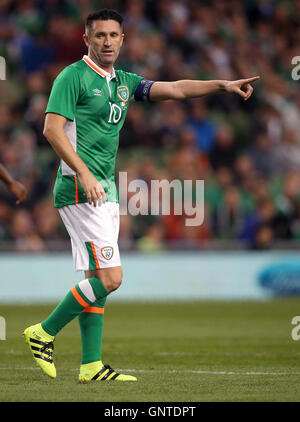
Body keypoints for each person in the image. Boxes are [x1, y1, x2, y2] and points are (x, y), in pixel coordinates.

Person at [23, 9, 260, 383]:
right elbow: (51, 130)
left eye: (113, 35)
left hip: (104, 189)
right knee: (112, 278)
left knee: (96, 276)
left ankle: (90, 366)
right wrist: (84, 173)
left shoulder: (125, 83)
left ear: (122, 40)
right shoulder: (72, 76)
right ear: (87, 39)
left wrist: (222, 85)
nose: (106, 41)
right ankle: (44, 332)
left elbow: (178, 88)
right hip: (80, 187)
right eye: (99, 35)